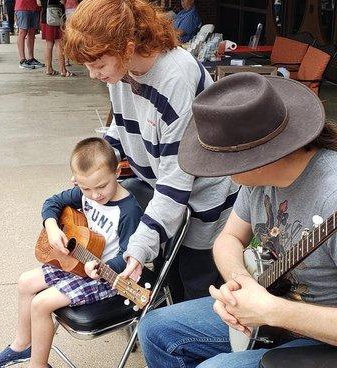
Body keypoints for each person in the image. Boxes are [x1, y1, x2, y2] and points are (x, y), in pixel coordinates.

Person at [138, 72, 337, 367]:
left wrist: (273, 311)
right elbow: (228, 238)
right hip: (271, 308)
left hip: (321, 334)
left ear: (261, 156)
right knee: (156, 329)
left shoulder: (330, 194)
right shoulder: (258, 180)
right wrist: (241, 283)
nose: (215, 170)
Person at [63, 0, 239, 302]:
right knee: (171, 277)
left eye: (98, 64)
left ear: (127, 47)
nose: (94, 75)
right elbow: (122, 126)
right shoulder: (121, 72)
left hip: (203, 197)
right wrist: (95, 166)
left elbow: (177, 178)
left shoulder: (175, 78)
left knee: (196, 285)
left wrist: (142, 245)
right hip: (165, 192)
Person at [0, 137, 143, 368]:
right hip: (77, 263)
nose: (95, 195)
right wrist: (51, 226)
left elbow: (129, 257)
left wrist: (101, 268)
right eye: (85, 188)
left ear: (117, 171)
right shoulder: (83, 194)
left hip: (104, 278)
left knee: (41, 304)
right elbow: (52, 202)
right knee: (25, 282)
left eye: (101, 186)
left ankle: (38, 365)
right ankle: (22, 345)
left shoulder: (128, 211)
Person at [37, 0, 73, 77]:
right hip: (55, 18)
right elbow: (63, 1)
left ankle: (49, 69)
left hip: (45, 17)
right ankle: (63, 70)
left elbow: (38, 3)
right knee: (59, 44)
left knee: (48, 44)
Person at [13, 0, 44, 69]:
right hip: (22, 5)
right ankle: (22, 60)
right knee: (23, 31)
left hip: (34, 5)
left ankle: (31, 58)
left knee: (31, 33)